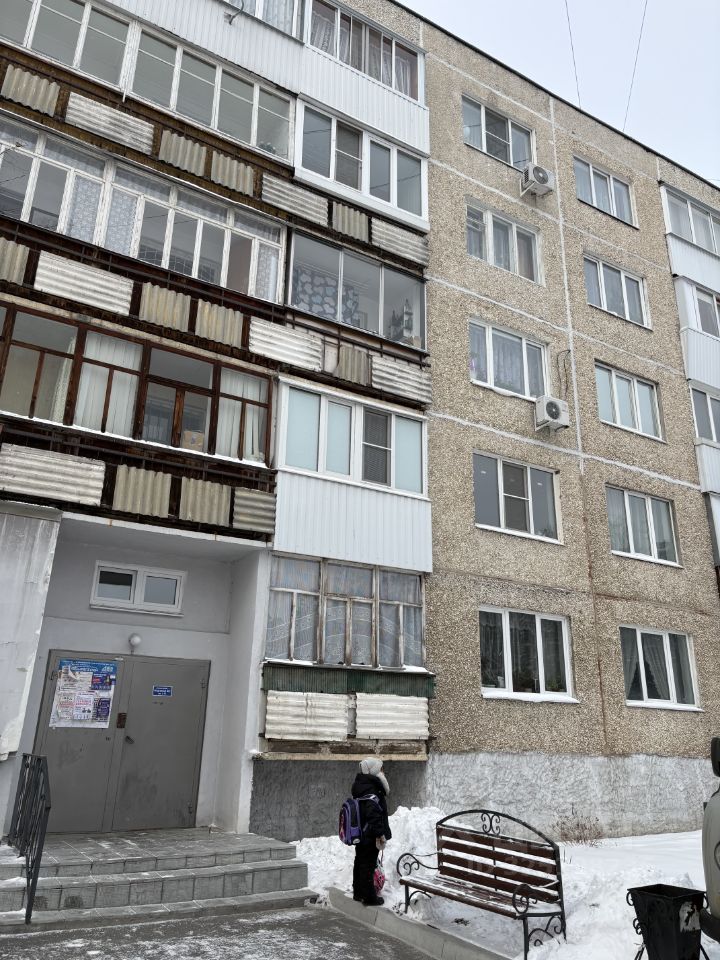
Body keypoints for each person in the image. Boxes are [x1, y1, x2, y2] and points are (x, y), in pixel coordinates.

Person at [351, 757, 392, 906]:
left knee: (360, 861)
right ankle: (369, 897)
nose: (382, 771)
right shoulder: (372, 788)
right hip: (370, 834)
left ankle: (358, 892)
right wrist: (380, 834)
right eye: (380, 768)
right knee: (368, 865)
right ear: (374, 771)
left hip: (361, 831)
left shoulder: (361, 786)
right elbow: (373, 814)